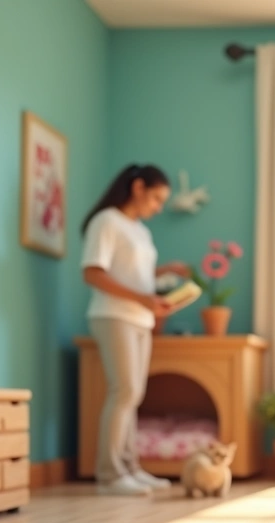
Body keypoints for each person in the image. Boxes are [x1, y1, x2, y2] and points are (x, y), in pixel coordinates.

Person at [80, 163, 190, 496]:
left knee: (133, 394)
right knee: (124, 390)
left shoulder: (140, 231)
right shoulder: (106, 221)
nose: (158, 208)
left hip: (141, 319)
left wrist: (163, 273)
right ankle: (110, 474)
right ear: (138, 187)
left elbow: (131, 273)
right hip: (114, 316)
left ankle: (130, 468)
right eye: (156, 198)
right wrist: (142, 298)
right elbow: (93, 272)